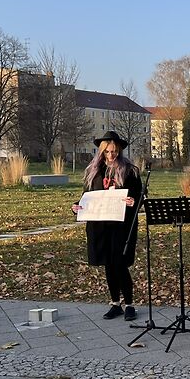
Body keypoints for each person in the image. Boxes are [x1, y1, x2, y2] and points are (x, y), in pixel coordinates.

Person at [71, 131, 142, 321]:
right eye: (107, 152)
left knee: (120, 264)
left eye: (114, 151)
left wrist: (133, 201)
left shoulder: (130, 171)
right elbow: (87, 196)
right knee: (108, 265)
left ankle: (129, 304)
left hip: (122, 225)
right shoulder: (93, 171)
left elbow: (140, 195)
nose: (111, 155)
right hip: (100, 225)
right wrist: (77, 207)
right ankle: (115, 303)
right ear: (101, 152)